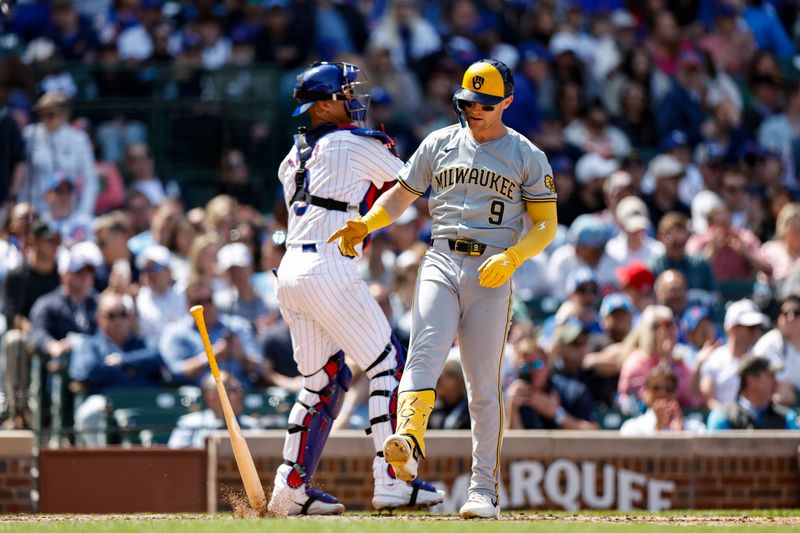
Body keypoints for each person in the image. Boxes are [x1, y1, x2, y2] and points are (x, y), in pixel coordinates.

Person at [330, 58, 558, 519]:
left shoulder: (526, 154)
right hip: (440, 257)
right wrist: (367, 225)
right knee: (423, 354)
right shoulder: (439, 142)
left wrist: (515, 256)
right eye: (468, 100)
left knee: (481, 385)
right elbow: (400, 194)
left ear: (507, 103)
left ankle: (484, 490)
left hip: (492, 270)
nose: (474, 109)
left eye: (485, 103)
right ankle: (408, 443)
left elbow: (545, 226)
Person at [269, 61, 444, 516]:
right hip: (328, 267)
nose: (354, 99)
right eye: (345, 93)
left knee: (322, 381)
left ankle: (289, 488)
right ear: (324, 104)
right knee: (388, 363)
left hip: (291, 270)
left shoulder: (293, 156)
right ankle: (392, 479)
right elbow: (410, 183)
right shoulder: (350, 142)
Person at [70, 291, 164, 446]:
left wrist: (123, 361)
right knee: (89, 413)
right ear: (98, 319)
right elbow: (84, 371)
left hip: (143, 401)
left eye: (123, 314)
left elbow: (157, 357)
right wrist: (133, 370)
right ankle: (100, 463)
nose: (119, 320)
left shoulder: (141, 343)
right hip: (107, 403)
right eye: (111, 315)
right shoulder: (90, 344)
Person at [1, 221, 61, 428]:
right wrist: (39, 334)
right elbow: (13, 314)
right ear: (34, 242)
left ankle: (58, 418)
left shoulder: (62, 274)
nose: (54, 246)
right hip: (29, 333)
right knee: (14, 341)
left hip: (58, 334)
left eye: (57, 241)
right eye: (49, 241)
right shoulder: (18, 274)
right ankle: (18, 411)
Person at [20, 92, 98, 217]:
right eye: (42, 114)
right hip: (37, 210)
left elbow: (89, 178)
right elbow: (22, 177)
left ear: (64, 115)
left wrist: (84, 211)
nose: (46, 118)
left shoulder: (78, 138)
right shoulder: (29, 135)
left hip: (69, 210)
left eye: (51, 114)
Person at [505, 336, 598, 431]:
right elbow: (514, 442)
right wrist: (512, 410)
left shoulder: (573, 391)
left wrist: (556, 413)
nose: (531, 371)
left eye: (537, 365)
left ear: (548, 365)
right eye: (524, 367)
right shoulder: (515, 395)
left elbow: (593, 432)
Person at [168, 372, 258, 449]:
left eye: (241, 389)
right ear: (211, 398)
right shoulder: (189, 424)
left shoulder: (251, 426)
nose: (240, 394)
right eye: (232, 390)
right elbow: (175, 460)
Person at [707, 357, 799, 431]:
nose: (776, 382)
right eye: (770, 376)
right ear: (751, 380)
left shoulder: (788, 417)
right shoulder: (722, 416)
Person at [619, 365, 706, 436]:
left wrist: (680, 435)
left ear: (676, 393)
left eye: (669, 388)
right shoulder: (632, 427)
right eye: (656, 388)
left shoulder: (696, 428)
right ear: (645, 392)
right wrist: (657, 429)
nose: (662, 393)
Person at [753, 294, 800, 406]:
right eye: (785, 313)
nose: (791, 318)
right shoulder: (767, 344)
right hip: (776, 411)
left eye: (797, 313)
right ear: (779, 318)